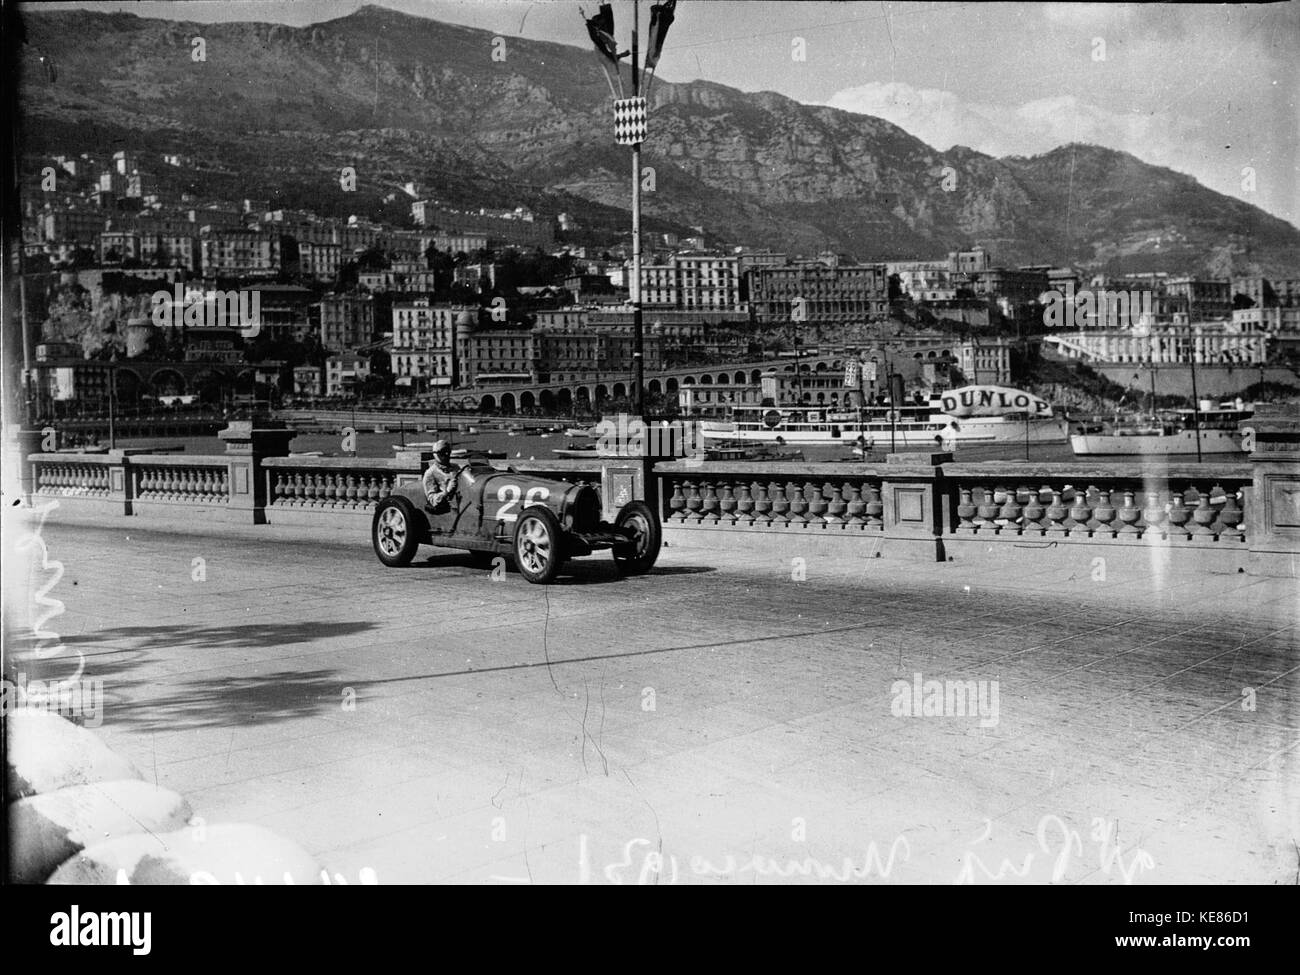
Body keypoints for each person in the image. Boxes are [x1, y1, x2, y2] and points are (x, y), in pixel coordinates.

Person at [422, 440, 459, 513]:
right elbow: (432, 500)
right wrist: (447, 491)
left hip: (464, 501)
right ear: (436, 454)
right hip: (450, 508)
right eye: (443, 452)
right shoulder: (430, 473)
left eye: (448, 452)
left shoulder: (456, 467)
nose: (446, 454)